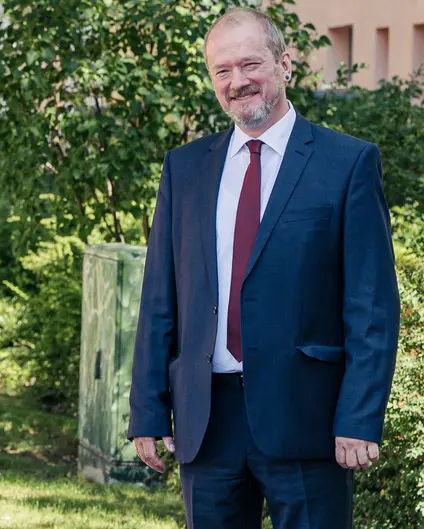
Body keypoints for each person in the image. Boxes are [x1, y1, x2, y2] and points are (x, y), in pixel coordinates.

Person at [129, 7, 398, 528]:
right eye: (222, 71)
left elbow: (371, 306)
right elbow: (160, 299)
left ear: (285, 63)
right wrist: (148, 409)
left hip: (310, 420)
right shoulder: (183, 169)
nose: (237, 82)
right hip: (207, 422)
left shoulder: (347, 163)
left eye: (249, 65)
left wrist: (360, 416)